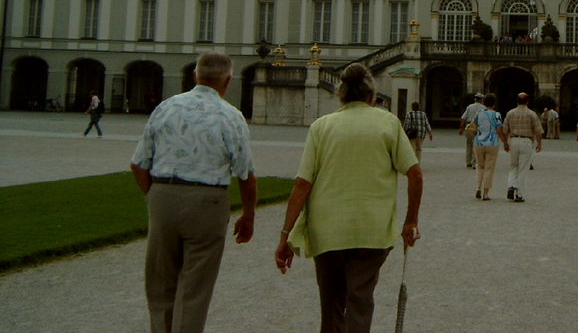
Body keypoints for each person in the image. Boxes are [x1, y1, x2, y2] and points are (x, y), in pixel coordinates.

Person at [275, 63, 422, 333]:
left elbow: (302, 184)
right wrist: (410, 220)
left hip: (327, 228)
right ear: (372, 96)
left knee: (331, 303)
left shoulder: (321, 126)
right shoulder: (388, 123)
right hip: (372, 228)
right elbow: (415, 174)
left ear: (340, 94)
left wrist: (285, 234)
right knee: (360, 300)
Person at [129, 52, 258, 333]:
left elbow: (138, 164)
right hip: (208, 201)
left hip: (163, 194)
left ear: (195, 76)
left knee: (160, 284)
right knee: (195, 289)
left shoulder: (166, 107)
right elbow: (245, 174)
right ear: (228, 81)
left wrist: (154, 196)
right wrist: (248, 216)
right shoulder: (231, 116)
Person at [502, 92, 542, 202]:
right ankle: (519, 194)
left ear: (517, 101)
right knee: (523, 168)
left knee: (513, 166)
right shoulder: (532, 114)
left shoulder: (510, 113)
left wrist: (505, 143)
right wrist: (539, 143)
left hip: (513, 140)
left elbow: (505, 130)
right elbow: (538, 131)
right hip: (526, 141)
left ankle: (511, 185)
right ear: (527, 101)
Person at [473, 94, 505, 200]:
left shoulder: (479, 113)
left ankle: (478, 187)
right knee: (489, 168)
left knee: (480, 166)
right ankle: (485, 193)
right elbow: (499, 130)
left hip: (479, 142)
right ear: (494, 104)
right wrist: (505, 142)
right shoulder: (496, 114)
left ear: (484, 102)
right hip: (492, 142)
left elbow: (473, 125)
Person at [458, 93, 486, 169]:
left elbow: (463, 118)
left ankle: (468, 162)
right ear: (481, 100)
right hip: (479, 126)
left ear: (475, 99)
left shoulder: (469, 107)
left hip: (469, 126)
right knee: (477, 145)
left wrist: (461, 128)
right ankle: (475, 163)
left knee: (469, 144)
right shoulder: (483, 108)